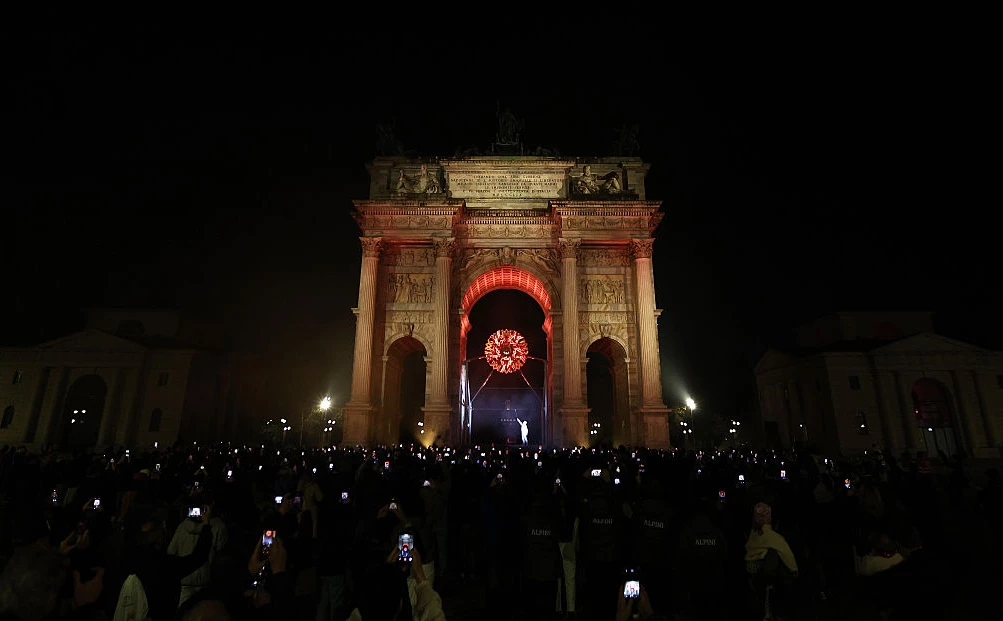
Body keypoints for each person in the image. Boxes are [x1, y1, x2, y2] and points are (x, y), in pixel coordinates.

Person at [349, 547, 445, 621]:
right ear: (400, 605)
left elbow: (363, 609)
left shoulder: (362, 610)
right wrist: (421, 578)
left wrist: (383, 574)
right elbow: (435, 617)